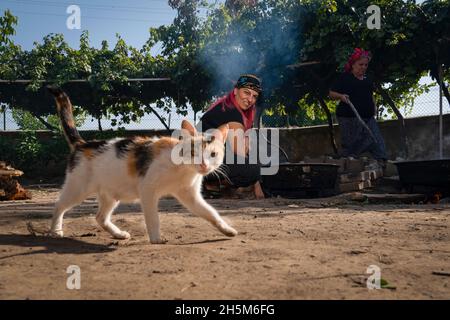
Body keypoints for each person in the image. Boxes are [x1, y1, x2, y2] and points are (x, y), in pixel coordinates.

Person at [197, 74, 265, 199]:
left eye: (254, 96)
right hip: (197, 160)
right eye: (246, 92)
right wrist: (256, 185)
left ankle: (212, 184)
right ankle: (209, 183)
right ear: (235, 91)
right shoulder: (232, 113)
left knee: (251, 163)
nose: (250, 99)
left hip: (203, 158)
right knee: (251, 171)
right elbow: (240, 155)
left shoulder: (229, 106)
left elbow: (244, 149)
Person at [329, 48, 387, 165]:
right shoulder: (345, 78)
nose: (363, 67)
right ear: (353, 65)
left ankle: (382, 162)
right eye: (360, 64)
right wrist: (341, 96)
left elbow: (370, 95)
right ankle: (346, 163)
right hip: (349, 118)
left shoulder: (368, 79)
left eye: (365, 65)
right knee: (352, 144)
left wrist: (374, 107)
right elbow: (331, 94)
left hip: (368, 117)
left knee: (376, 139)